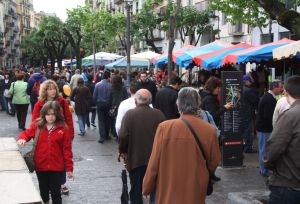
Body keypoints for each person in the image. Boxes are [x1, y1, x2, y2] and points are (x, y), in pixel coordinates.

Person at [142, 87, 221, 204]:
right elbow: (214, 161)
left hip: (168, 187)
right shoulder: (209, 130)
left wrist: (147, 187)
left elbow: (154, 163)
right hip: (195, 187)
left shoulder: (165, 127)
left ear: (178, 104)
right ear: (198, 104)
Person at [17, 101, 74, 204]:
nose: (51, 117)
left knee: (56, 193)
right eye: (48, 114)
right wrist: (22, 139)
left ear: (57, 114)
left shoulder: (63, 129)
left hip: (57, 167)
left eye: (53, 114)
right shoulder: (37, 126)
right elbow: (27, 133)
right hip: (40, 166)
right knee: (43, 191)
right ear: (44, 115)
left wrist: (69, 168)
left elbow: (67, 150)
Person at [119, 89, 165, 204]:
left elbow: (123, 136)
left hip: (135, 159)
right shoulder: (159, 114)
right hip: (155, 160)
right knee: (155, 189)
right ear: (150, 101)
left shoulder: (130, 114)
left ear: (135, 100)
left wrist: (123, 151)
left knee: (136, 189)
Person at [31, 79, 74, 194]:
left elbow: (68, 119)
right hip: (45, 135)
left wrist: (70, 135)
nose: (52, 91)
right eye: (49, 89)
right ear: (45, 91)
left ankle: (60, 183)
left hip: (60, 134)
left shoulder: (62, 102)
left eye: (54, 88)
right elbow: (34, 122)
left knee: (62, 159)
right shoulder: (39, 104)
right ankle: (51, 185)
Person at [265, 76, 300, 204]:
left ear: (286, 92)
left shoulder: (290, 115)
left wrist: (268, 165)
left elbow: (274, 148)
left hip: (288, 183)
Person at [256, 80, 283, 177]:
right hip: (264, 129)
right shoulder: (269, 99)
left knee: (263, 149)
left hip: (263, 128)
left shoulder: (269, 97)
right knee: (264, 150)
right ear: (274, 88)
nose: (282, 89)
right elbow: (268, 116)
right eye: (280, 87)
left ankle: (263, 169)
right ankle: (263, 170)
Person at [93, 70, 112, 143]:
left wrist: (96, 103)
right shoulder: (110, 85)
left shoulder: (97, 85)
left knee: (101, 120)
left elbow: (94, 96)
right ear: (108, 77)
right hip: (108, 104)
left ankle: (102, 136)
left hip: (100, 104)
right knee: (107, 120)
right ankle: (107, 135)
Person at [242, 74, 259, 153]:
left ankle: (244, 146)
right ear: (247, 81)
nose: (251, 82)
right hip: (248, 113)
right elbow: (256, 100)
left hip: (243, 112)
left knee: (244, 130)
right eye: (250, 81)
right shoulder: (248, 90)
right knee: (248, 131)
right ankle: (247, 147)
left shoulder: (241, 89)